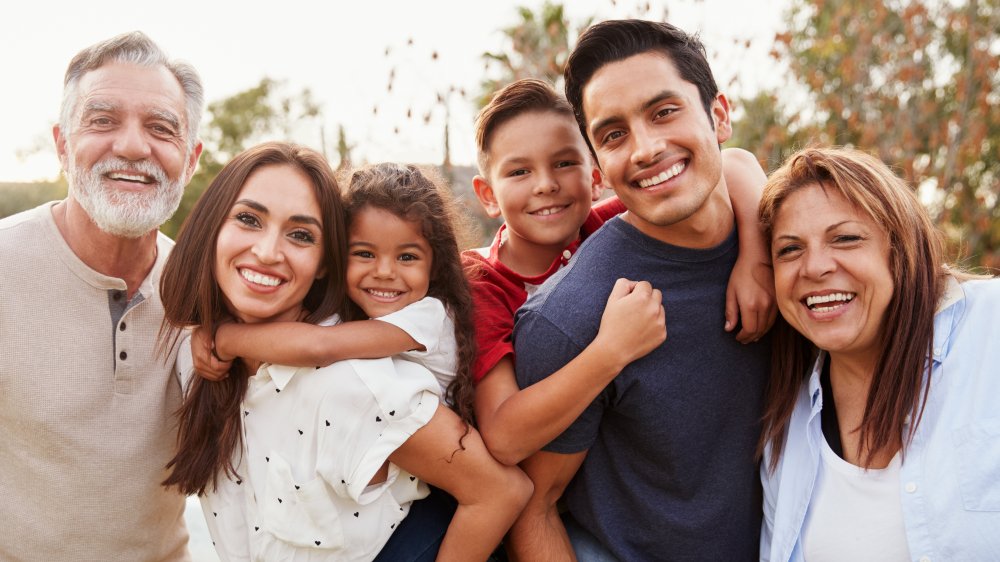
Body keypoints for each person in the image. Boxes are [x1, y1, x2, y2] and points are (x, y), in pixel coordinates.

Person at [160, 145, 531, 561]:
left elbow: (500, 491)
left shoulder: (356, 385)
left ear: (324, 261)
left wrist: (224, 337)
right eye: (248, 219)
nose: (267, 251)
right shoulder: (190, 358)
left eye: (301, 234)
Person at [509, 20, 773, 560]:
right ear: (598, 168)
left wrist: (762, 254)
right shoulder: (573, 318)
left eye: (664, 112)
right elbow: (535, 507)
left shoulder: (790, 250)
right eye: (614, 135)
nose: (647, 148)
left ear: (718, 115)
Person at [465, 77, 773, 468]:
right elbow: (503, 437)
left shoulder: (604, 228)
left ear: (597, 178)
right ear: (488, 195)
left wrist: (756, 258)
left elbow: (733, 161)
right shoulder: (480, 282)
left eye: (564, 163)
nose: (546, 185)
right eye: (519, 172)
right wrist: (611, 350)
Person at [0, 32, 203, 560]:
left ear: (192, 157)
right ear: (63, 145)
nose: (134, 146)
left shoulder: (207, 289)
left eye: (161, 128)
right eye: (102, 120)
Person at [757, 147, 1000, 561]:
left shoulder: (990, 329)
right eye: (790, 250)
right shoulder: (783, 427)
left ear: (900, 248)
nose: (814, 267)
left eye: (846, 238)